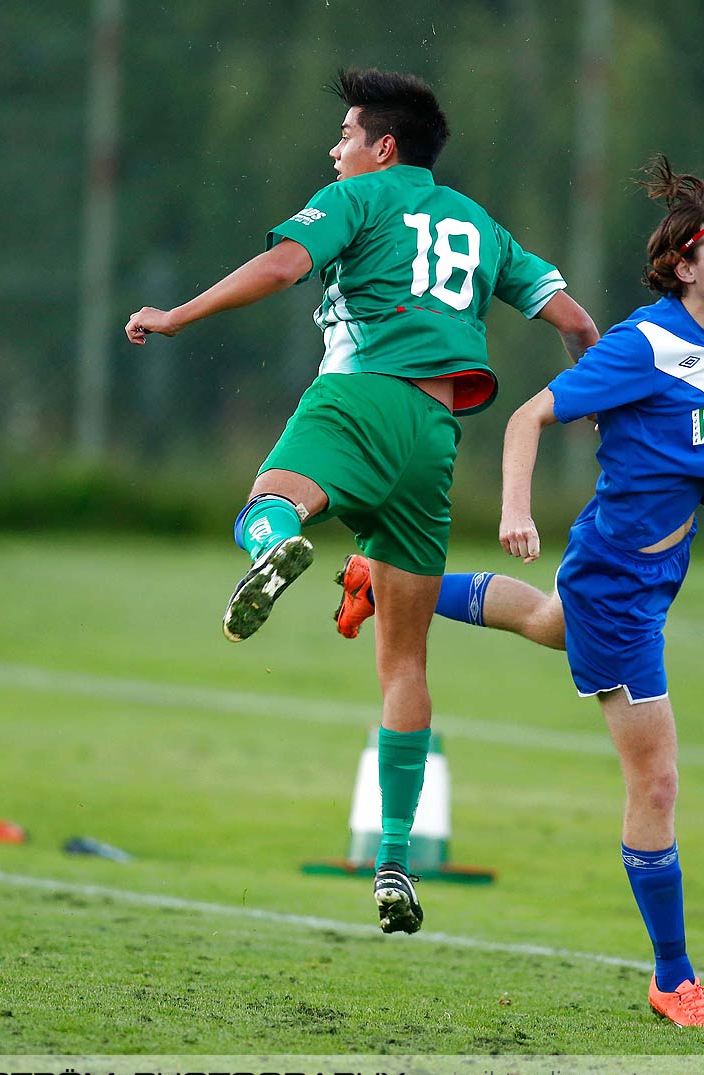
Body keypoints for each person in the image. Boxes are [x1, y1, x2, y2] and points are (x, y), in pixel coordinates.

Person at [339, 157, 704, 1027]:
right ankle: (672, 977)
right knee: (655, 783)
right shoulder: (642, 345)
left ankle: (390, 577)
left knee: (550, 623)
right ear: (687, 269)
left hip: (649, 571)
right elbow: (525, 416)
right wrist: (515, 508)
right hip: (619, 582)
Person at [124, 69, 598, 933]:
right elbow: (572, 323)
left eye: (343, 134)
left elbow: (282, 264)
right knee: (405, 663)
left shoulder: (362, 197)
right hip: (434, 436)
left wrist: (177, 316)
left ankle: (276, 545)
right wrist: (589, 406)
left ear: (383, 147)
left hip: (360, 394)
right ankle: (392, 862)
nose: (332, 149)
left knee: (268, 504)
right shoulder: (478, 222)